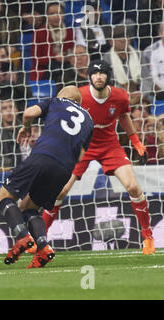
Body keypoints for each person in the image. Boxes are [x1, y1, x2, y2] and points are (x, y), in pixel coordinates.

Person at [41, 60, 156, 255]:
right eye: (95, 73)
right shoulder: (79, 95)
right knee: (60, 192)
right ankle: (40, 240)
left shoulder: (120, 96)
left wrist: (135, 141)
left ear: (108, 76)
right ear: (89, 76)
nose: (99, 76)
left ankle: (148, 237)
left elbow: (124, 116)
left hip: (110, 146)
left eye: (102, 73)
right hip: (83, 147)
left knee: (133, 187)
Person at [0, 85, 93, 269]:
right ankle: (43, 247)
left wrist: (25, 128)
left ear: (64, 96)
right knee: (29, 207)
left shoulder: (56, 101)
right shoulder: (89, 120)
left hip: (43, 156)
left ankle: (22, 237)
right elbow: (82, 154)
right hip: (64, 170)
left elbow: (27, 114)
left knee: (4, 196)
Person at [29, 1, 74, 81]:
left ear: (63, 15)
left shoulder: (70, 32)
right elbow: (35, 59)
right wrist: (54, 58)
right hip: (45, 71)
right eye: (52, 14)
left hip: (66, 68)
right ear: (47, 15)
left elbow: (72, 52)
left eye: (59, 13)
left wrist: (66, 57)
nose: (56, 17)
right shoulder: (39, 33)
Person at [102, 25, 141, 97]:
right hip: (118, 95)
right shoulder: (106, 59)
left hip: (141, 93)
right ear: (111, 42)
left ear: (130, 39)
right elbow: (108, 83)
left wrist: (143, 92)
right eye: (118, 38)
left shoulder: (139, 54)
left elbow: (147, 77)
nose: (122, 40)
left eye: (125, 37)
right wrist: (126, 94)